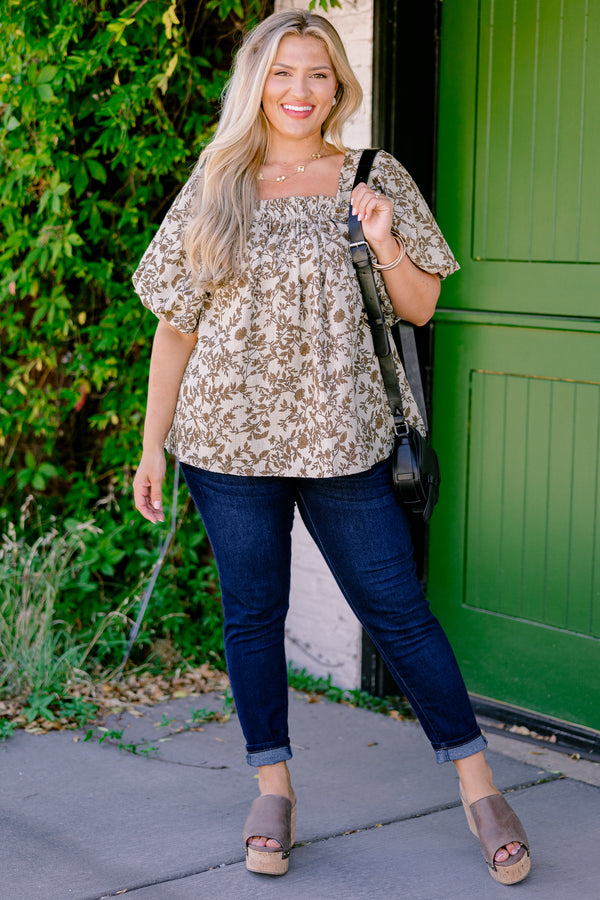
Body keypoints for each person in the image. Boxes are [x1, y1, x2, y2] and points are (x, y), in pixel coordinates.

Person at [132, 9, 530, 885]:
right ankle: (272, 791)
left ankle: (480, 788)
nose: (300, 90)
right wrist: (152, 446)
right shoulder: (216, 182)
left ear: (339, 84)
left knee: (399, 612)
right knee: (252, 616)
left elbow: (419, 307)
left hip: (346, 444)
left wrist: (381, 237)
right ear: (256, 83)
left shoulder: (373, 175)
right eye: (282, 73)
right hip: (226, 446)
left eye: (317, 73)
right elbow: (175, 326)